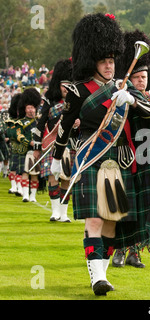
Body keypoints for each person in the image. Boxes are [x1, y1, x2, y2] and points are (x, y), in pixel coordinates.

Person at [50, 13, 150, 296]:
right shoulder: (77, 91)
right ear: (92, 60)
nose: (110, 65)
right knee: (95, 220)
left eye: (113, 59)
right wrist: (55, 158)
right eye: (104, 59)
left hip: (120, 159)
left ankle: (102, 273)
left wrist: (132, 100)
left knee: (111, 219)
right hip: (91, 156)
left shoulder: (123, 88)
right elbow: (64, 127)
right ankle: (97, 276)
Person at [111, 29, 150, 269]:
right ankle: (119, 250)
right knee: (125, 206)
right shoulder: (120, 96)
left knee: (142, 208)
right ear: (130, 78)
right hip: (126, 157)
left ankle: (135, 252)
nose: (142, 81)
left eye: (145, 77)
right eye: (138, 77)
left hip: (148, 158)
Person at [33, 58, 77, 222]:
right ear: (58, 85)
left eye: (69, 86)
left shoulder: (76, 102)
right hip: (52, 146)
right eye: (64, 85)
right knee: (53, 177)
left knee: (66, 179)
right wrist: (37, 146)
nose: (66, 89)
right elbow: (40, 123)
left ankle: (64, 214)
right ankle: (55, 211)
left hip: (71, 145)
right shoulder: (49, 101)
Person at [15, 88, 41, 202]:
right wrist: (28, 142)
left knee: (35, 174)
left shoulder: (39, 122)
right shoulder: (21, 122)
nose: (31, 110)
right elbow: (19, 136)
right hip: (25, 151)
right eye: (29, 108)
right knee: (25, 173)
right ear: (25, 109)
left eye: (33, 108)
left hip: (36, 151)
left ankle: (33, 196)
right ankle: (25, 195)